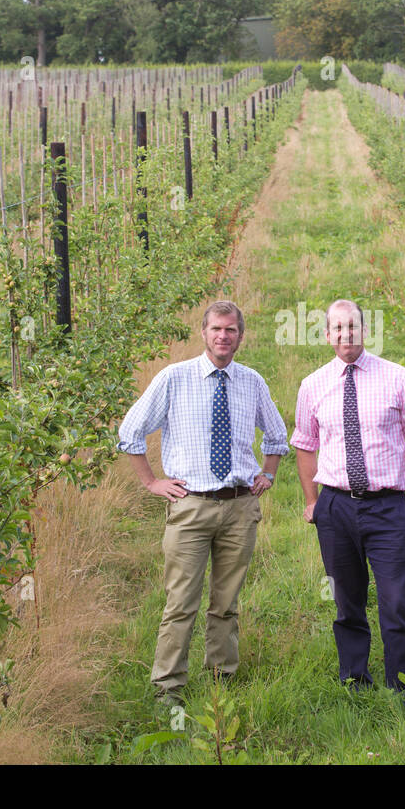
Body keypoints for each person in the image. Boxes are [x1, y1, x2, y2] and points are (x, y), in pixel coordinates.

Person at [117, 300, 288, 704]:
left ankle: (221, 681)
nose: (223, 336)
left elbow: (278, 436)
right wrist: (150, 483)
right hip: (190, 506)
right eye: (216, 329)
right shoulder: (174, 379)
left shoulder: (252, 382)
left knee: (226, 604)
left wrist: (268, 474)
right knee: (180, 603)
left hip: (239, 507)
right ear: (203, 332)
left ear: (241, 336)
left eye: (230, 330)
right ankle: (168, 688)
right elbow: (130, 431)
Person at [292, 299, 405, 692]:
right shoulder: (313, 385)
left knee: (396, 602)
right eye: (337, 328)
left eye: (352, 326)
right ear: (326, 335)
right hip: (335, 508)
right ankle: (355, 681)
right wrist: (312, 501)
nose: (345, 334)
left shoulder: (399, 378)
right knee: (346, 602)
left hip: (388, 508)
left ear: (365, 330)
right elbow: (305, 443)